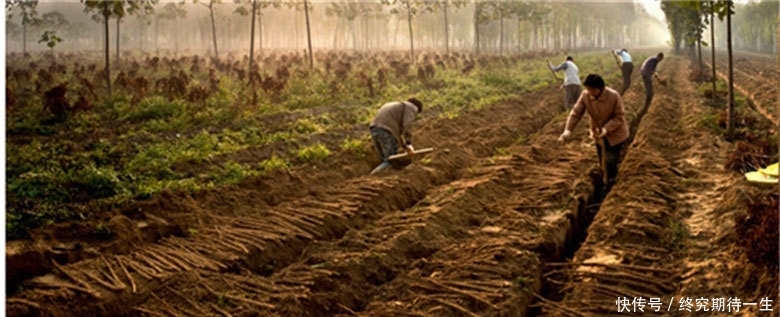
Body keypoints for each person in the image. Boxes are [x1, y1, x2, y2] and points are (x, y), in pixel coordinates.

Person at [558, 74, 629, 189]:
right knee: (602, 160)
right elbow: (576, 113)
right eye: (587, 88)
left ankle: (611, 184)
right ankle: (604, 181)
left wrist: (606, 129)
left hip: (616, 134)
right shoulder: (585, 95)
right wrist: (568, 130)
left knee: (610, 161)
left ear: (599, 89)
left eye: (592, 89)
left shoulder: (614, 96)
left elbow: (619, 117)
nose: (589, 91)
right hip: (598, 134)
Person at [369, 97, 423, 174]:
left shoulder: (398, 106)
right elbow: (406, 125)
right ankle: (371, 177)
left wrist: (405, 146)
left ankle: (376, 177)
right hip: (386, 132)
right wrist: (409, 143)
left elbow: (399, 133)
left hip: (375, 130)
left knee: (384, 160)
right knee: (390, 161)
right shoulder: (411, 107)